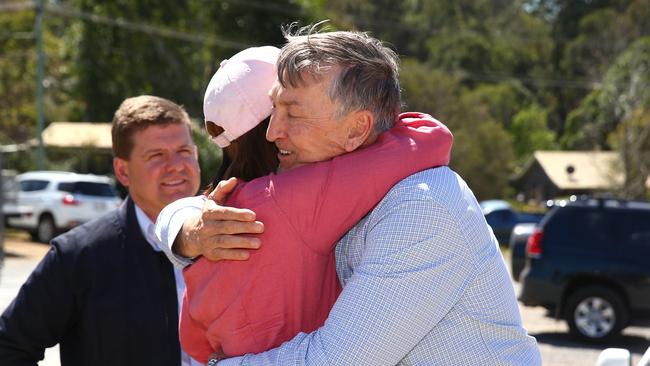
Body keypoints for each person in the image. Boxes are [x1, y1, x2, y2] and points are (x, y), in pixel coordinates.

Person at [162, 26, 542, 365]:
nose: (272, 131)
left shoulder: (422, 209)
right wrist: (186, 228)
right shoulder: (338, 177)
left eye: (292, 113)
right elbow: (225, 200)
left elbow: (338, 359)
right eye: (273, 108)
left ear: (356, 129)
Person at [0, 95, 202, 366]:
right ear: (122, 171)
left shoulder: (234, 237)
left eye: (184, 151)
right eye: (157, 155)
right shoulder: (78, 256)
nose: (176, 165)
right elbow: (10, 347)